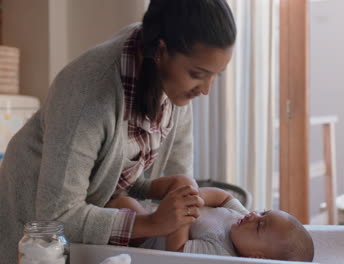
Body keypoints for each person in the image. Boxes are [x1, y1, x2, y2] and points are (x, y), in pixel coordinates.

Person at [0, 0, 236, 262]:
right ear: (160, 49)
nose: (205, 90)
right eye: (197, 74)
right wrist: (151, 222)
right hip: (33, 229)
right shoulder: (88, 91)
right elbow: (56, 217)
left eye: (217, 75)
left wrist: (156, 190)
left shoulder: (172, 86)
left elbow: (116, 176)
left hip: (82, 222)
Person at [107, 182, 315, 262]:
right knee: (182, 180)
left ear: (256, 256)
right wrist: (196, 198)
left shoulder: (221, 253)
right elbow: (223, 197)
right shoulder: (240, 217)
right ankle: (135, 184)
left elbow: (176, 251)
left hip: (147, 237)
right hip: (163, 209)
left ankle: (104, 203)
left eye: (260, 224)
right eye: (263, 212)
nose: (254, 215)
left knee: (126, 204)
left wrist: (185, 213)